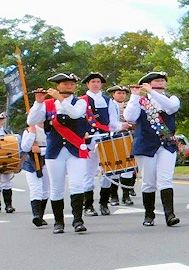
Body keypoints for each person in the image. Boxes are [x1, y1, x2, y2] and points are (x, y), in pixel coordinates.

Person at [27, 73, 90, 233]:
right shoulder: (47, 104)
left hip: (75, 149)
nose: (69, 86)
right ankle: (58, 222)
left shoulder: (81, 102)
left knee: (77, 184)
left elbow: (75, 114)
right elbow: (31, 121)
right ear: (58, 85)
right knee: (57, 187)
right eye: (65, 84)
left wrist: (60, 99)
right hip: (55, 150)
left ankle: (78, 221)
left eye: (72, 84)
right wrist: (38, 102)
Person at [124, 72, 181, 227]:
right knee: (149, 182)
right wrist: (134, 96)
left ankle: (170, 215)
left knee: (165, 179)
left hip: (166, 144)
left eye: (163, 80)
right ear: (147, 83)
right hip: (145, 144)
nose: (161, 83)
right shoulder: (141, 102)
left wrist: (152, 92)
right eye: (157, 80)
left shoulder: (171, 99)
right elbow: (129, 116)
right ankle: (149, 214)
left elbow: (171, 108)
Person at [80, 72, 126, 216]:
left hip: (106, 139)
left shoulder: (108, 101)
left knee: (109, 172)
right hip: (88, 141)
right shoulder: (82, 101)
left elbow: (112, 122)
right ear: (88, 84)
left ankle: (104, 203)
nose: (96, 84)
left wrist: (121, 126)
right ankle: (88, 205)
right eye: (93, 81)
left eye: (98, 82)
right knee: (88, 173)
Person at [106, 85, 135, 206]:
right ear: (113, 94)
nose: (121, 95)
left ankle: (126, 195)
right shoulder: (108, 105)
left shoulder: (130, 105)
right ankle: (113, 195)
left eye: (123, 93)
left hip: (128, 137)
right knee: (114, 169)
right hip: (112, 137)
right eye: (119, 93)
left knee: (127, 167)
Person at [20, 124, 50, 227]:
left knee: (45, 191)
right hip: (32, 163)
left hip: (48, 162)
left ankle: (40, 215)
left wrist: (41, 150)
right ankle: (36, 215)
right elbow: (25, 147)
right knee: (36, 189)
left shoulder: (50, 129)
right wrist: (32, 134)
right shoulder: (28, 131)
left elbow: (55, 146)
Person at [0, 112, 16, 213]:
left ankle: (8, 205)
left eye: (1, 119)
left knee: (7, 182)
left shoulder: (7, 132)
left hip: (6, 159)